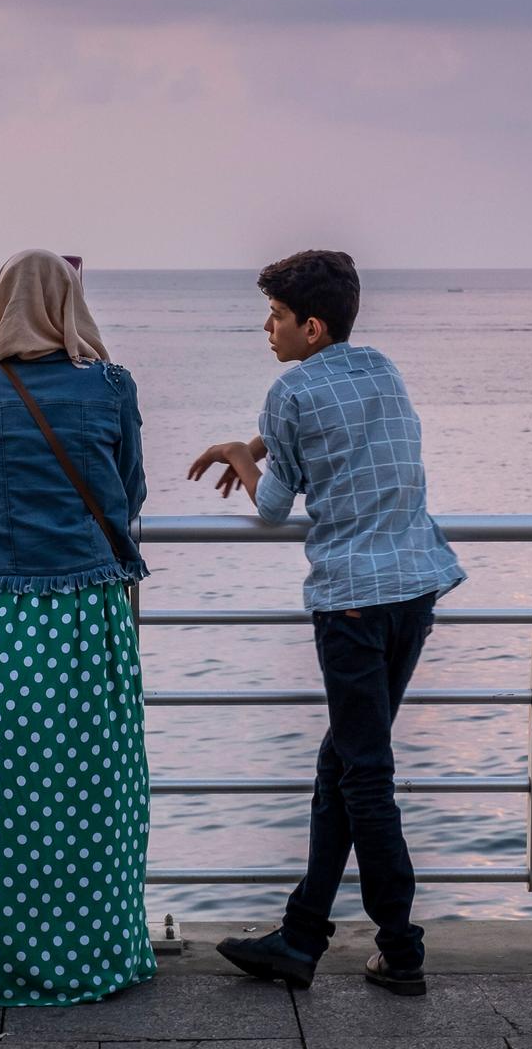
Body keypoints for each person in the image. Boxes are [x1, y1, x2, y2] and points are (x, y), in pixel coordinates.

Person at [189, 249, 465, 997]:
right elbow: (337, 445)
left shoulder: (288, 391)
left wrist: (236, 453)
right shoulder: (380, 369)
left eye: (276, 318)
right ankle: (301, 937)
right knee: (341, 766)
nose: (266, 330)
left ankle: (401, 948)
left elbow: (275, 505)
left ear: (310, 327)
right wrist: (258, 446)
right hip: (415, 589)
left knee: (364, 776)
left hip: (350, 602)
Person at [0, 249, 155, 1007]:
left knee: (4, 799)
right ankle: (97, 956)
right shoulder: (111, 385)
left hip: (5, 621)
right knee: (95, 794)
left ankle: (8, 964)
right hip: (90, 617)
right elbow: (130, 493)